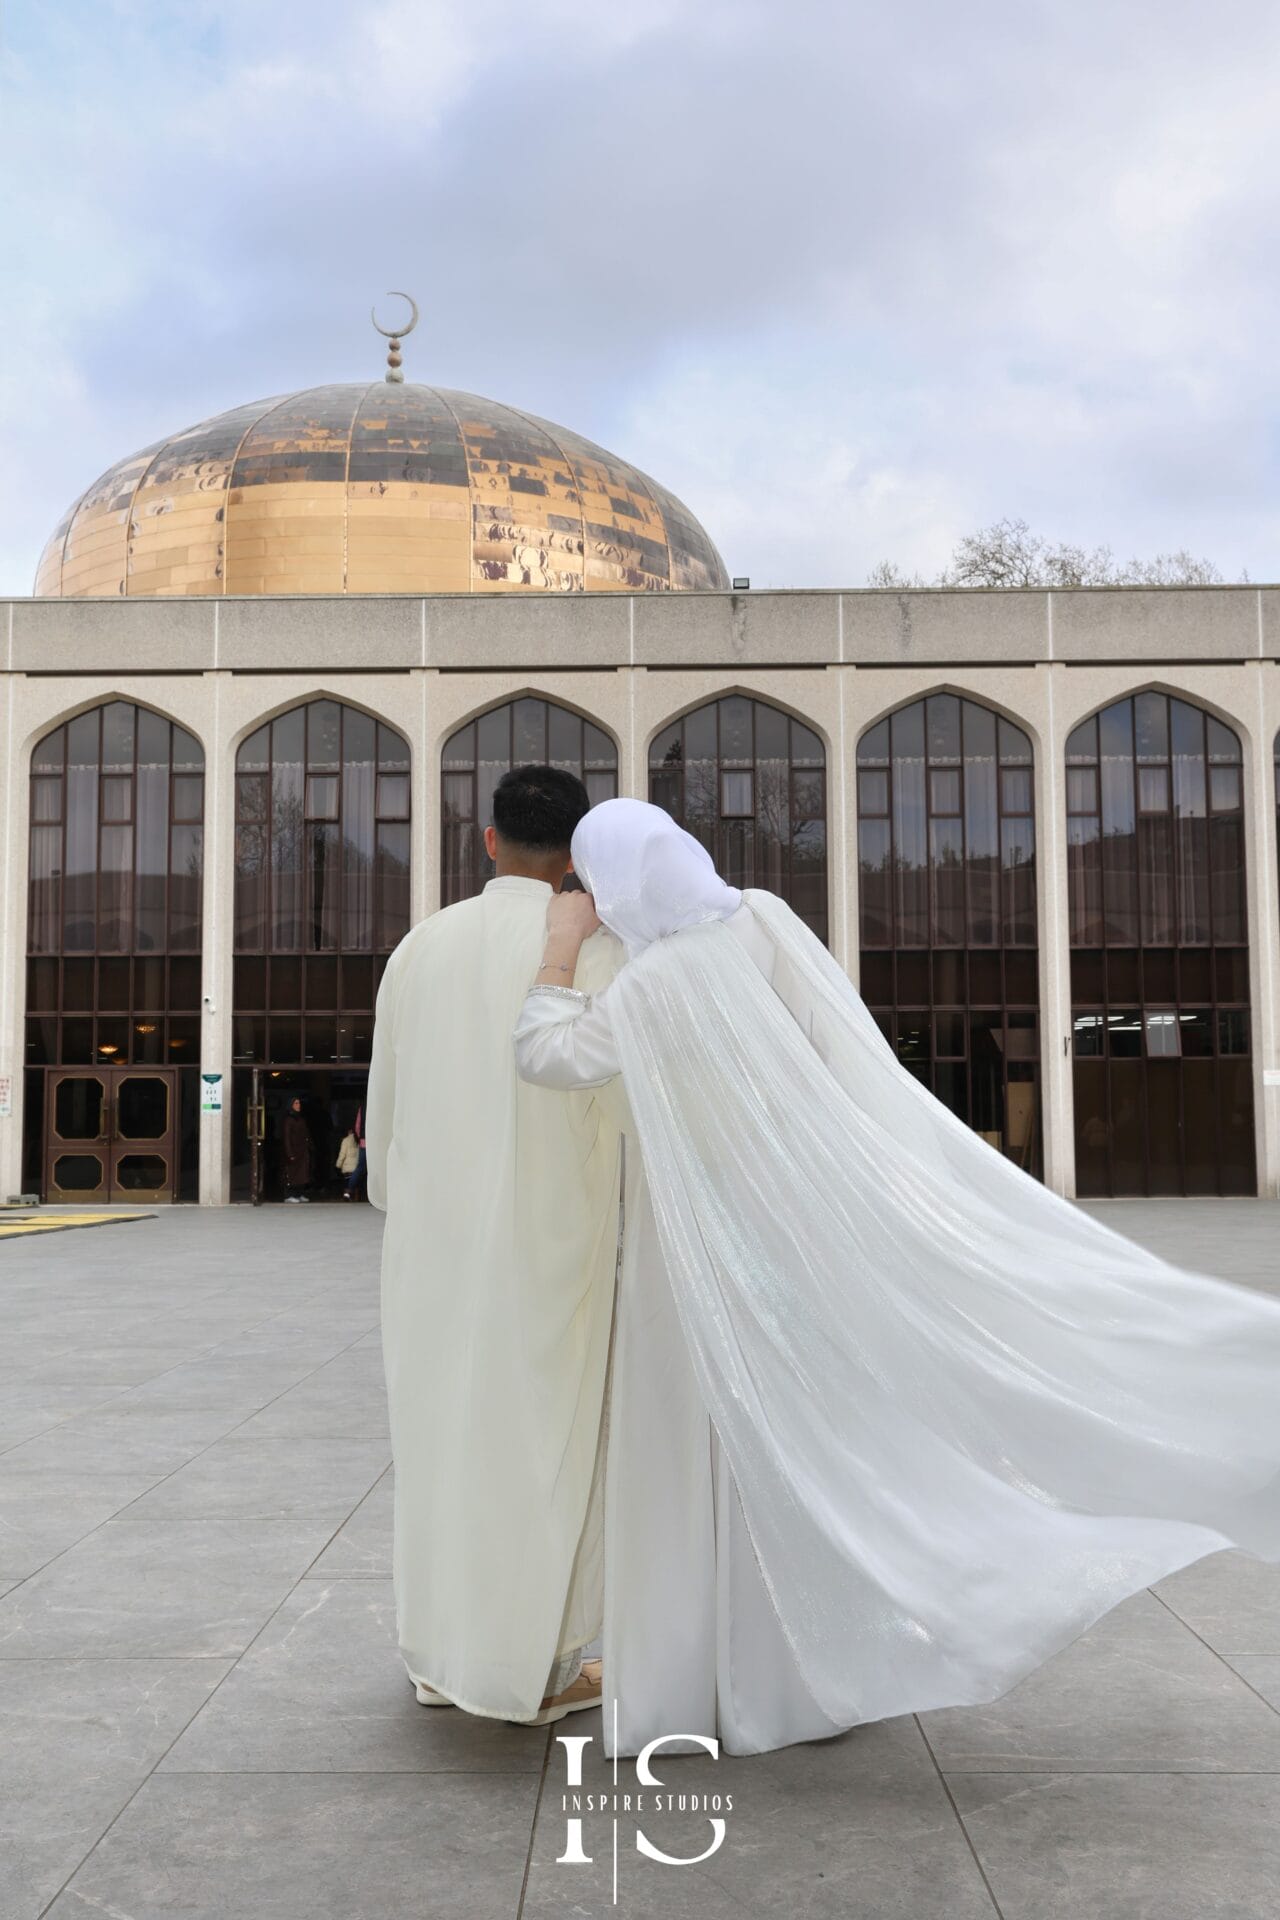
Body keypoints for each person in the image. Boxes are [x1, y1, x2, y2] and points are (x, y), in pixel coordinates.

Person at [514, 797, 1280, 1758]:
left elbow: (542, 1054)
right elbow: (844, 1052)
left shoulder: (650, 987)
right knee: (793, 1439)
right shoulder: (762, 922)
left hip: (692, 1248)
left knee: (694, 1444)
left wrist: (557, 947)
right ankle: (798, 1676)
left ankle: (687, 1678)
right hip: (796, 1228)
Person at [365, 765, 623, 1727]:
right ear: (578, 851)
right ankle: (538, 1662)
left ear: (487, 841)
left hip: (432, 1239)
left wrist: (405, 1197)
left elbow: (385, 1105)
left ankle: (440, 1656)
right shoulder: (596, 950)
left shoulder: (419, 948)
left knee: (438, 1442)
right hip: (553, 1236)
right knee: (542, 1446)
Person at [281, 1094, 313, 1204]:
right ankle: (289, 1195)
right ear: (291, 1105)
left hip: (302, 1151)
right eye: (296, 1103)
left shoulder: (301, 1119)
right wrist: (289, 1153)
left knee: (302, 1174)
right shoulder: (289, 1120)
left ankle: (299, 1194)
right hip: (293, 1151)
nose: (298, 1105)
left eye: (299, 1103)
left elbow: (306, 1134)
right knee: (292, 1174)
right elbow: (287, 1137)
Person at [341, 1103, 367, 1201]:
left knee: (360, 1168)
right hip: (375, 1143)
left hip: (363, 1142)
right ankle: (374, 1196)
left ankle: (348, 1191)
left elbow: (357, 1126)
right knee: (374, 1170)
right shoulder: (378, 1105)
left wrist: (360, 1139)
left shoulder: (362, 1107)